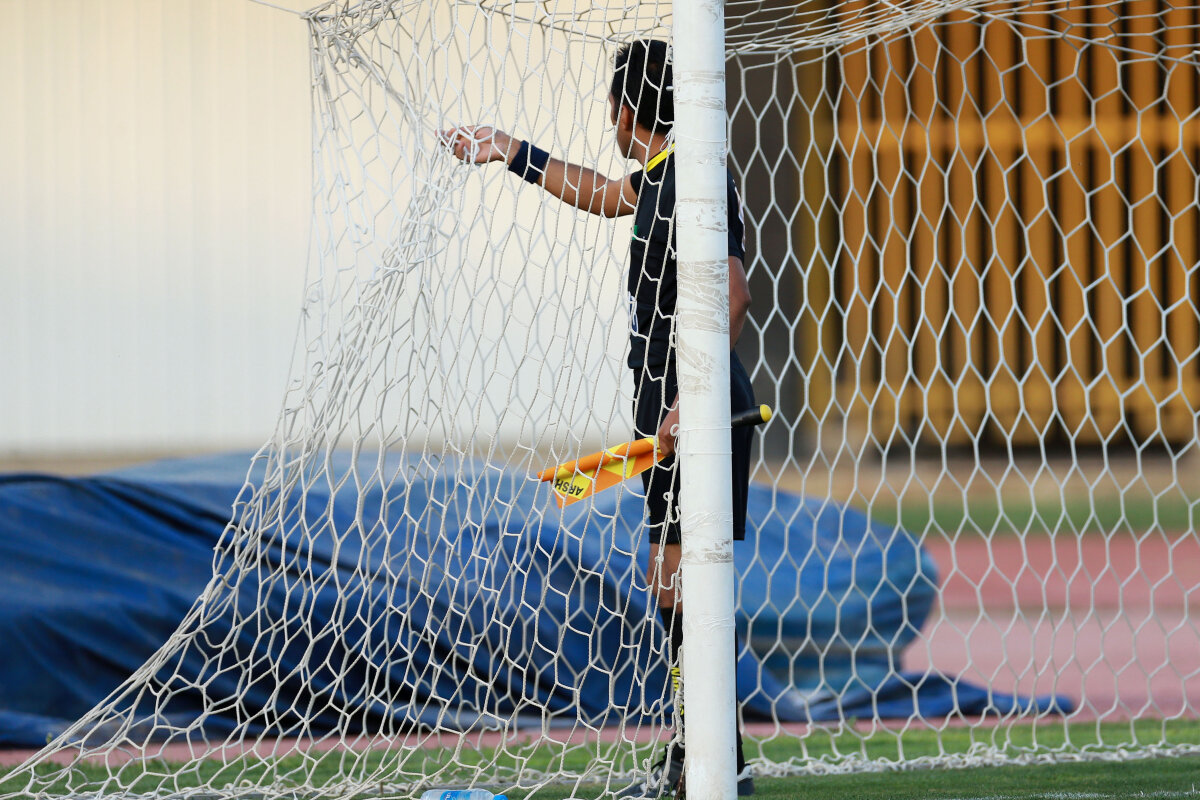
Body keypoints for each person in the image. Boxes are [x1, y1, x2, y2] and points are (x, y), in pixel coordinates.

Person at [442, 38, 757, 799]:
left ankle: (711, 761)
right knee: (673, 586)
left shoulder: (693, 177)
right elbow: (604, 193)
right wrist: (512, 151)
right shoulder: (659, 175)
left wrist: (692, 399)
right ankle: (707, 755)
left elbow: (734, 292)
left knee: (687, 585)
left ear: (624, 110)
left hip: (698, 415)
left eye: (609, 105)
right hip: (674, 417)